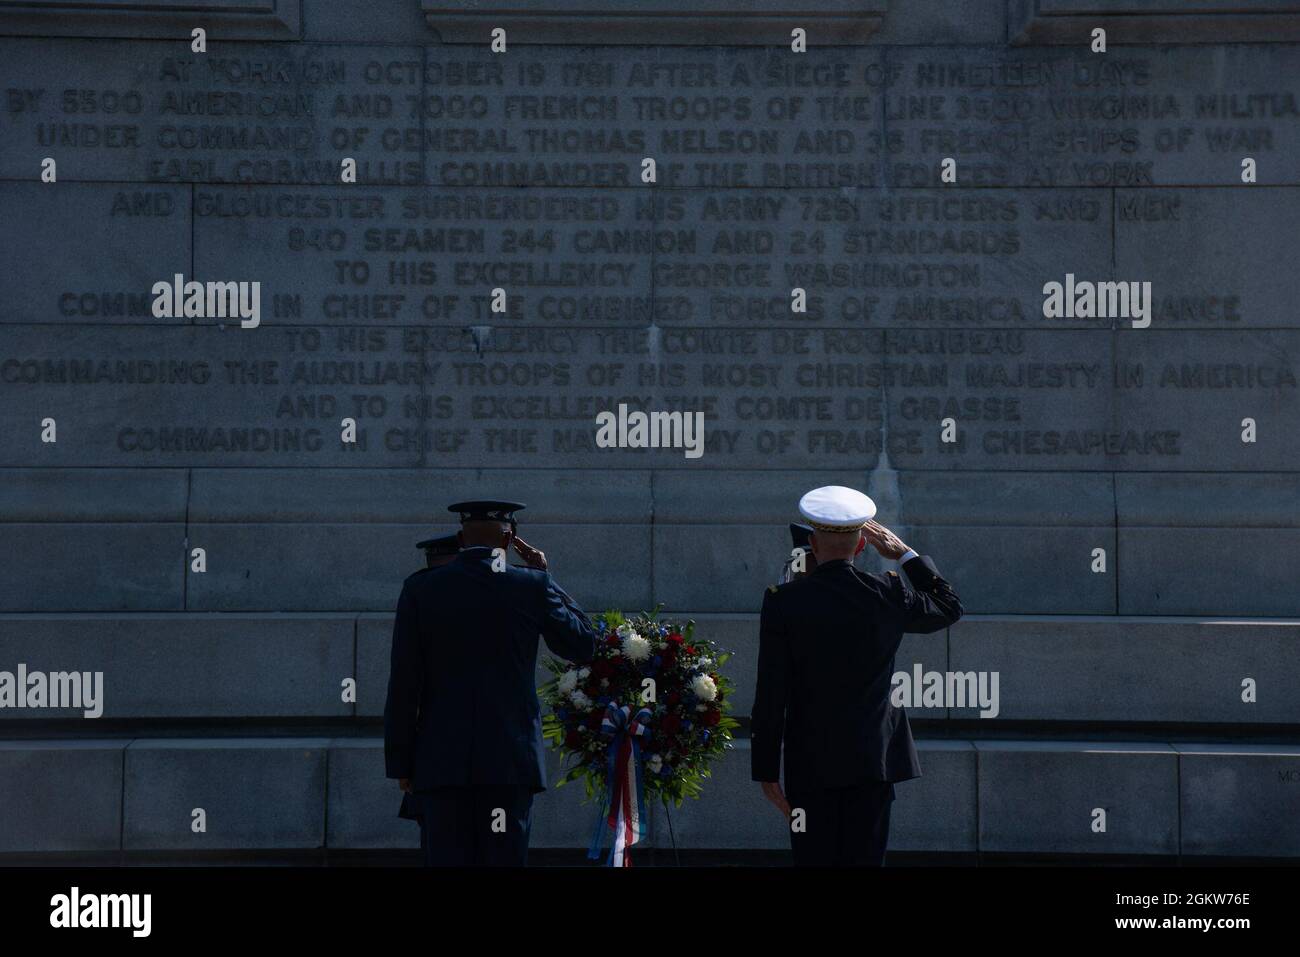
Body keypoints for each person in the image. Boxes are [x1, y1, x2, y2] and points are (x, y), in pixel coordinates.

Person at [751, 485, 963, 866]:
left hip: (810, 766)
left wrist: (767, 773)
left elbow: (771, 692)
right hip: (872, 763)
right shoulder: (889, 592)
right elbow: (948, 606)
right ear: (863, 546)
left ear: (812, 544)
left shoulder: (783, 602)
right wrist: (905, 555)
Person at [384, 500, 596, 866]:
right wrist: (547, 577)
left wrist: (402, 762)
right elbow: (583, 645)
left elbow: (404, 682)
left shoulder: (422, 589)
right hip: (508, 763)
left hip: (440, 763)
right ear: (510, 539)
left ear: (461, 537)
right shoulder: (531, 585)